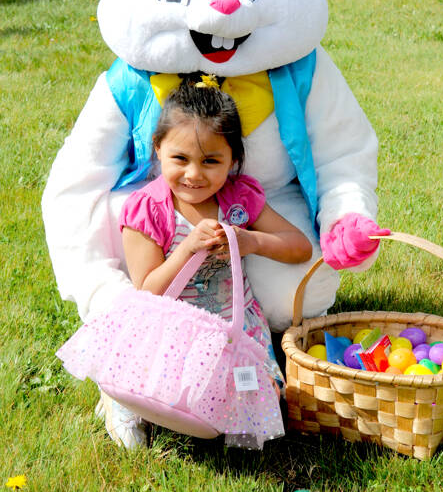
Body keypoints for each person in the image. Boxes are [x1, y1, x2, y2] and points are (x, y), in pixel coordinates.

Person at [57, 74, 312, 448]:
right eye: (180, 159)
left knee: (257, 414)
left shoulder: (239, 199)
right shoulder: (149, 209)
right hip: (170, 329)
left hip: (234, 326)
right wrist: (186, 248)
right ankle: (121, 401)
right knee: (156, 388)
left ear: (233, 160)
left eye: (211, 161)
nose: (194, 174)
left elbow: (299, 247)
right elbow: (148, 291)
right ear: (157, 149)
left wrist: (251, 241)